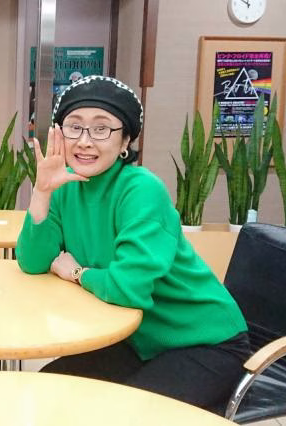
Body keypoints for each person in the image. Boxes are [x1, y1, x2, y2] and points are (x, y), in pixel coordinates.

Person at [15, 75, 249, 412]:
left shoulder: (141, 190)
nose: (85, 141)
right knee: (48, 392)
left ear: (125, 140)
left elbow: (128, 288)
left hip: (203, 342)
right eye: (74, 127)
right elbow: (33, 262)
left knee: (123, 414)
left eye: (101, 129)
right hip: (137, 340)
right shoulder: (64, 186)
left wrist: (77, 273)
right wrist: (42, 192)